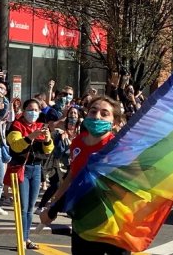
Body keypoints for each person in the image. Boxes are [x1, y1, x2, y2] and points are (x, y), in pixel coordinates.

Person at [41, 96, 128, 255]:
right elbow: (72, 175)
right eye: (93, 111)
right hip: (83, 218)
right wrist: (52, 203)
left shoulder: (117, 149)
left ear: (114, 122)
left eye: (104, 113)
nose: (97, 116)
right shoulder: (78, 142)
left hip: (113, 221)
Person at [7, 98, 54, 250]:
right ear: (24, 110)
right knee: (22, 207)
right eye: (30, 109)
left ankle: (26, 238)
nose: (33, 112)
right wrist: (31, 137)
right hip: (22, 169)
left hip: (36, 169)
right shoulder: (16, 126)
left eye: (36, 110)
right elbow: (16, 146)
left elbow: (48, 150)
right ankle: (20, 239)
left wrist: (47, 139)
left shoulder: (40, 126)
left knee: (29, 208)